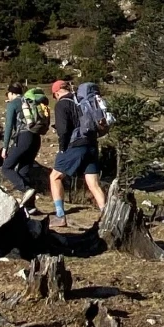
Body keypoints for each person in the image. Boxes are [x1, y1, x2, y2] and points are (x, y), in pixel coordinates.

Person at [46, 81, 108, 228]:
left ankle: (60, 216)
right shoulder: (81, 100)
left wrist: (62, 148)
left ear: (56, 93)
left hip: (75, 145)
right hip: (91, 144)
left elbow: (63, 130)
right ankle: (107, 215)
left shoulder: (62, 104)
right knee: (93, 183)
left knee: (54, 177)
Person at [0, 84, 48, 211]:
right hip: (36, 139)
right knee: (23, 171)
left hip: (23, 138)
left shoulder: (13, 104)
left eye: (8, 94)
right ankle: (30, 206)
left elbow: (9, 126)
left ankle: (26, 189)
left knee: (6, 167)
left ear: (11, 93)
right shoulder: (30, 101)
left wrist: (5, 147)